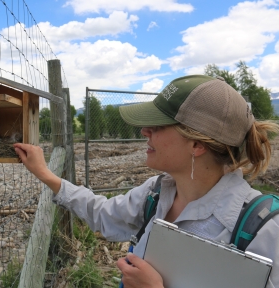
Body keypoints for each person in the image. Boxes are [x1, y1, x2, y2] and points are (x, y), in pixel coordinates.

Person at [14, 74, 279, 288]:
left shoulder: (263, 231)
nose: (144, 131)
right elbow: (103, 213)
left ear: (197, 144)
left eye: (158, 125)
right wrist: (46, 175)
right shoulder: (156, 193)